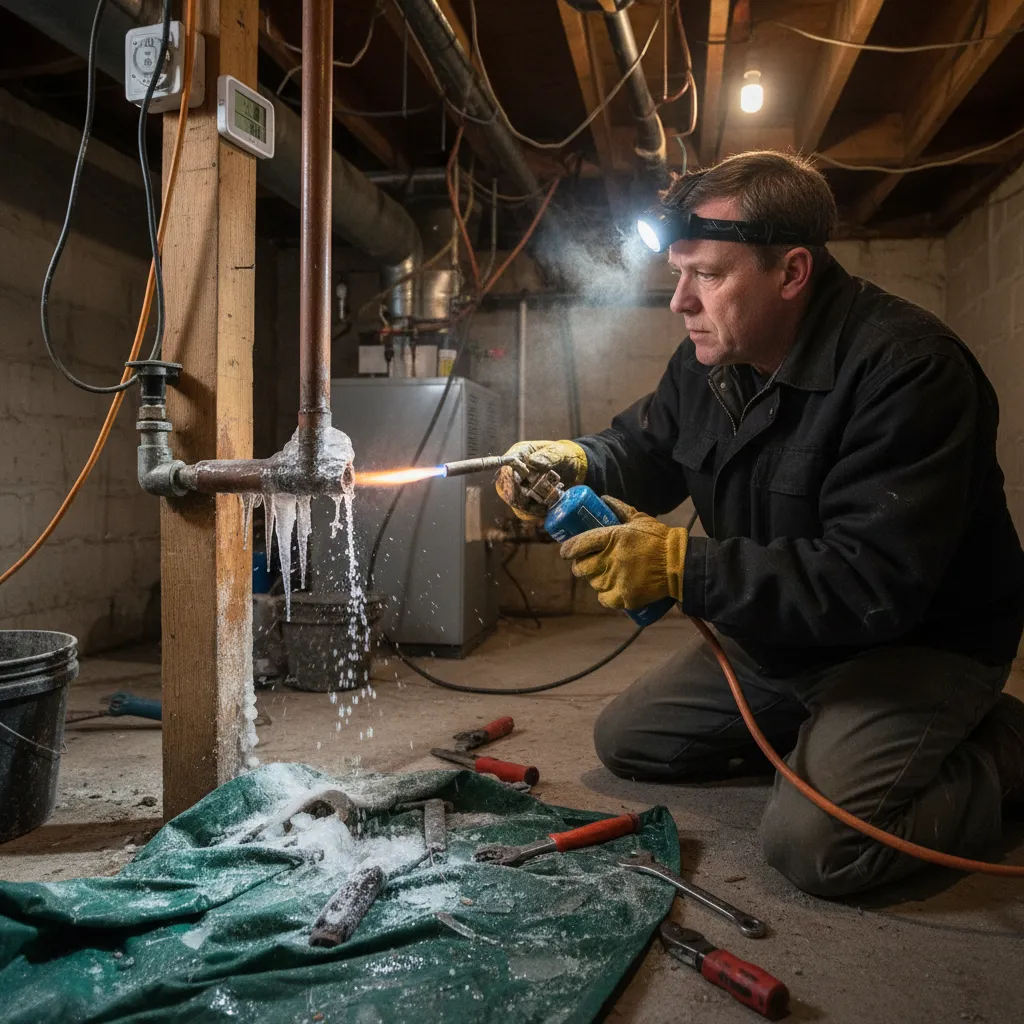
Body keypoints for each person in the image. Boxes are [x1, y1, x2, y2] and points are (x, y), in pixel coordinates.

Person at [495, 151, 1024, 898]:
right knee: (629, 742)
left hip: (913, 643)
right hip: (780, 638)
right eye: (679, 273)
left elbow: (872, 583)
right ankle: (838, 737)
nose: (681, 301)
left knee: (819, 847)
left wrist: (684, 568)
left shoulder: (910, 370)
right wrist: (578, 460)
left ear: (792, 271)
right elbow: (648, 449)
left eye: (707, 275)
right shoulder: (710, 358)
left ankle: (1003, 749)